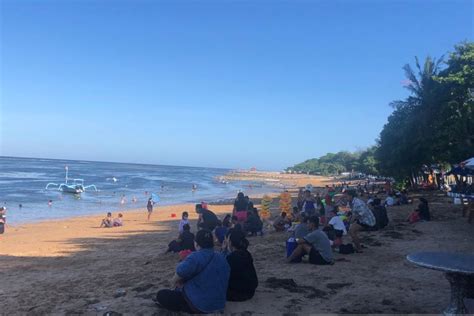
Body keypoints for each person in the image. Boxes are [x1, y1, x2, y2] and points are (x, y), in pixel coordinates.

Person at [156, 230, 230, 314]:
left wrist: (174, 282)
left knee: (162, 295)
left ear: (197, 244)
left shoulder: (195, 256)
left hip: (200, 305)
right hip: (219, 304)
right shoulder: (221, 257)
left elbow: (179, 273)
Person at [223, 230, 258, 301]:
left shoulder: (232, 257)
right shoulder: (246, 253)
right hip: (250, 292)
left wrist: (223, 251)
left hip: (237, 294)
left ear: (230, 242)